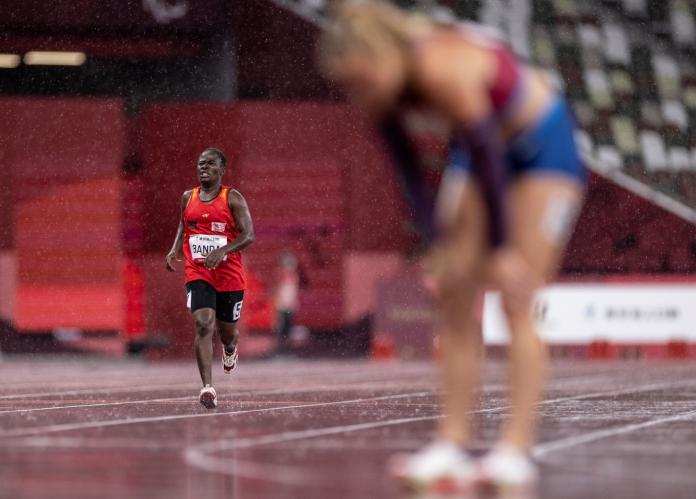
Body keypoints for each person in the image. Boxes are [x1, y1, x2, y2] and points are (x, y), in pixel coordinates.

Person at [317, 1, 585, 494]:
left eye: (365, 82)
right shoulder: (383, 89)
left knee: (517, 295)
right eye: (351, 87)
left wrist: (502, 249)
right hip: (479, 149)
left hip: (542, 146)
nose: (362, 96)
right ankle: (452, 444)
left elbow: (487, 153)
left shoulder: (439, 64)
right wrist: (437, 245)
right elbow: (410, 172)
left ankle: (514, 452)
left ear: (388, 57)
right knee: (453, 293)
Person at [165, 147, 255, 409]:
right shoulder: (187, 197)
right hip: (198, 271)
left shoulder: (233, 198)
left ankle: (229, 350)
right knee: (204, 324)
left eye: (210, 164)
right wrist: (174, 249)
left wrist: (223, 250)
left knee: (228, 334)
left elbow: (249, 235)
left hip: (229, 275)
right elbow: (184, 225)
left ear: (222, 169)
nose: (203, 167)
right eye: (200, 163)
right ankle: (207, 387)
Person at [274, 251, 300, 355]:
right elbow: (277, 290)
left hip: (290, 305)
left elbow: (294, 291)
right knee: (281, 328)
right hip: (281, 306)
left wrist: (294, 302)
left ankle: (287, 350)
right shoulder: (279, 275)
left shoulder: (294, 277)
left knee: (288, 329)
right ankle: (279, 351)